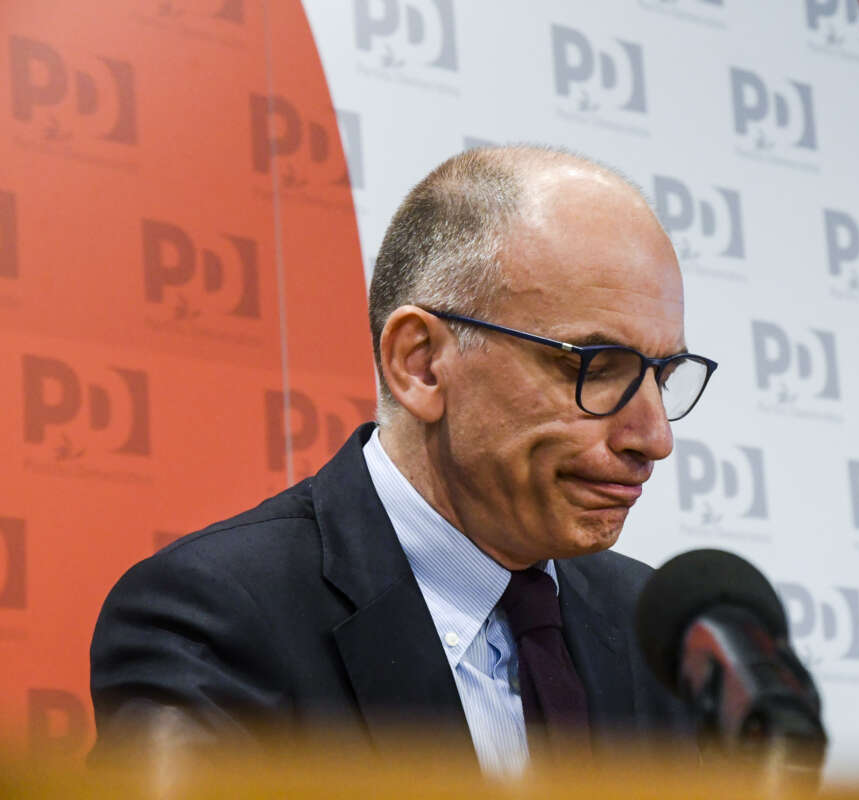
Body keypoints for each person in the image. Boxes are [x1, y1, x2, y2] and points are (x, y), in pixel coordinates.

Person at [89, 145, 717, 775]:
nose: (654, 438)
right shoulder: (217, 619)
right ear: (421, 364)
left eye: (663, 377)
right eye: (596, 368)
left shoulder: (651, 627)